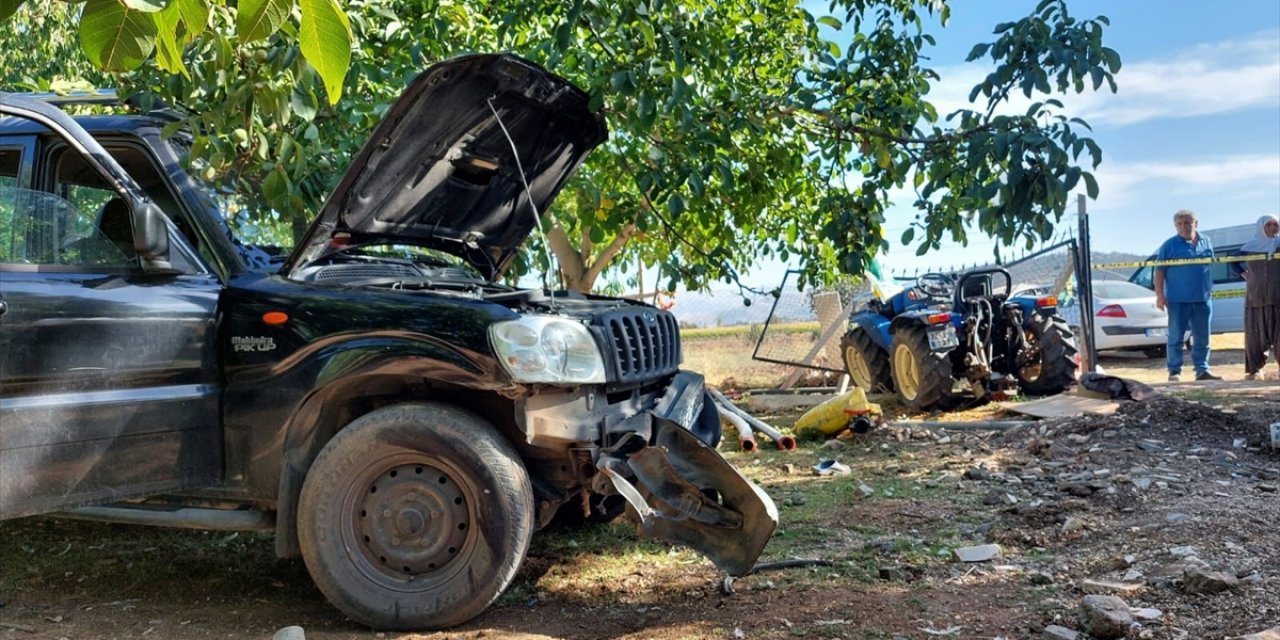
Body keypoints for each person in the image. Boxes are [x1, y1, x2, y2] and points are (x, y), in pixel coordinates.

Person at [1153, 209, 1221, 382]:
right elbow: (1159, 271)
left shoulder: (1207, 241)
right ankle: (1174, 371)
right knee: (1176, 337)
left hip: (1202, 298)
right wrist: (1160, 295)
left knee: (1202, 337)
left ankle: (1202, 370)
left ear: (1195, 223)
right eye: (1180, 224)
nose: (1184, 226)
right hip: (1178, 300)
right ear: (1176, 226)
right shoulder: (1169, 245)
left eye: (1188, 222)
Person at [1231, 214, 1280, 380]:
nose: (1273, 228)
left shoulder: (1279, 245)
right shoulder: (1250, 246)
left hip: (1278, 296)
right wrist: (1246, 275)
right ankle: (1255, 370)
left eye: (1275, 225)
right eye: (1269, 225)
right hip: (1256, 296)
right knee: (1255, 336)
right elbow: (1232, 261)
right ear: (1261, 227)